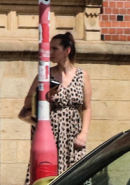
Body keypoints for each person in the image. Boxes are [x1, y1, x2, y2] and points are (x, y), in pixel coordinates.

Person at [19, 31, 92, 174]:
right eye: (49, 49)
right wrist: (43, 94)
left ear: (67, 51)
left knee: (75, 174)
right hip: (49, 131)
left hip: (73, 133)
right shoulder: (45, 74)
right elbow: (28, 102)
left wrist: (83, 133)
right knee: (47, 171)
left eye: (54, 49)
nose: (50, 52)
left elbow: (87, 107)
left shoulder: (82, 75)